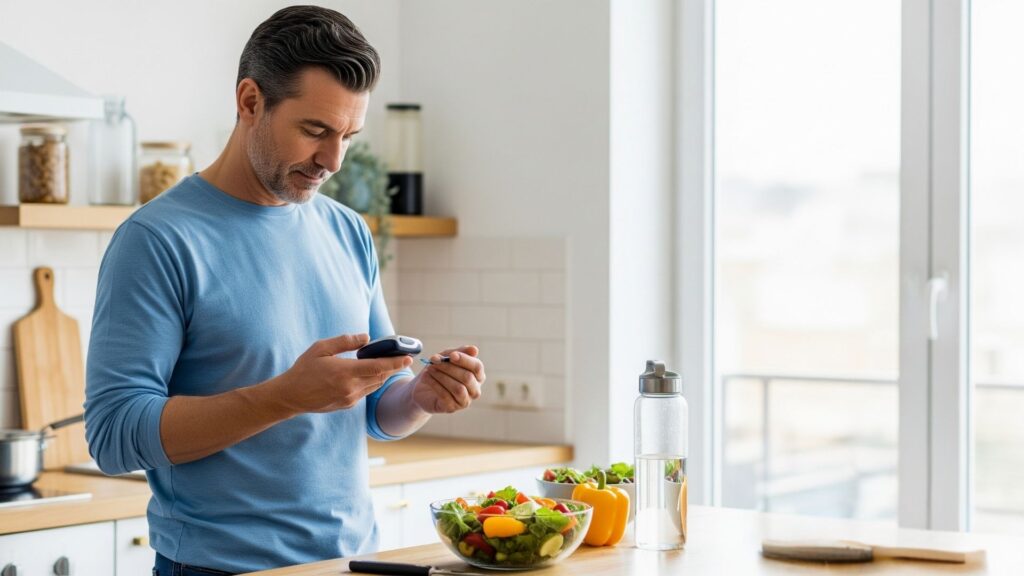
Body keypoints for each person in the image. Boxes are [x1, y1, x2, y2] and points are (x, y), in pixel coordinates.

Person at [83, 6, 485, 575]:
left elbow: (373, 410)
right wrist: (286, 395)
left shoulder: (347, 230)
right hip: (215, 568)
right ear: (250, 101)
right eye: (315, 130)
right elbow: (114, 436)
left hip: (348, 562)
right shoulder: (156, 240)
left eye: (348, 135)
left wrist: (420, 397)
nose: (333, 160)